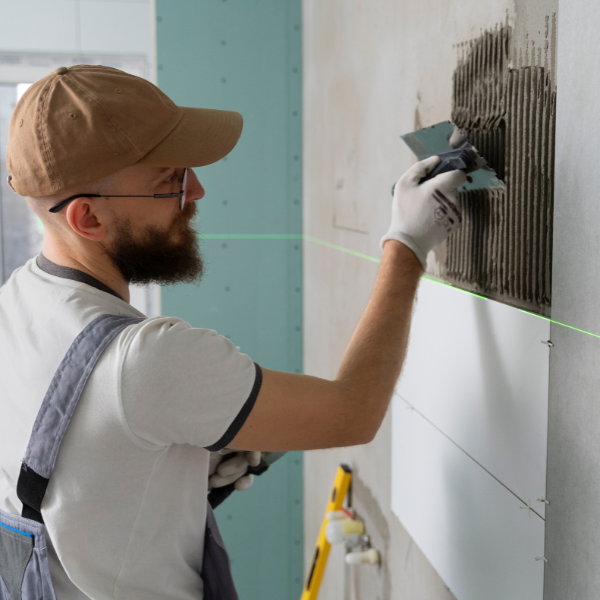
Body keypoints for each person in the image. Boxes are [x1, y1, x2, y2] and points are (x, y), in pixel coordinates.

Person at [0, 65, 465, 599]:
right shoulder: (143, 360)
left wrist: (168, 478)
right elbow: (352, 412)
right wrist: (406, 244)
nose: (196, 190)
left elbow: (56, 473)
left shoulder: (15, 304)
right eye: (168, 181)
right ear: (88, 219)